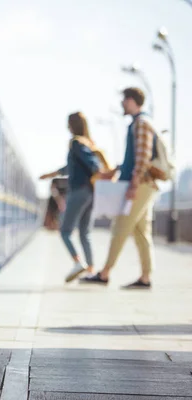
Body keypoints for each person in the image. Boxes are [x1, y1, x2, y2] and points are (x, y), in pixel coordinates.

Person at [81, 87, 158, 289]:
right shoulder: (139, 123)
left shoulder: (141, 123)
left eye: (124, 100)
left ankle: (105, 273)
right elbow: (135, 158)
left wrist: (133, 183)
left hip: (139, 185)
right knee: (141, 232)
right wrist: (117, 169)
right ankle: (145, 277)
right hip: (142, 183)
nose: (122, 104)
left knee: (120, 227)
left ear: (131, 100)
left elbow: (143, 157)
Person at [40, 112, 102, 283]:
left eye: (69, 124)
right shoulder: (88, 143)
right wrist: (51, 174)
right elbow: (72, 167)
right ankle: (90, 270)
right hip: (91, 193)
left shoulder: (76, 143)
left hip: (79, 191)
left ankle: (78, 263)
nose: (67, 127)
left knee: (65, 230)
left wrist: (97, 169)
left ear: (73, 125)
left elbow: (93, 164)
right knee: (84, 233)